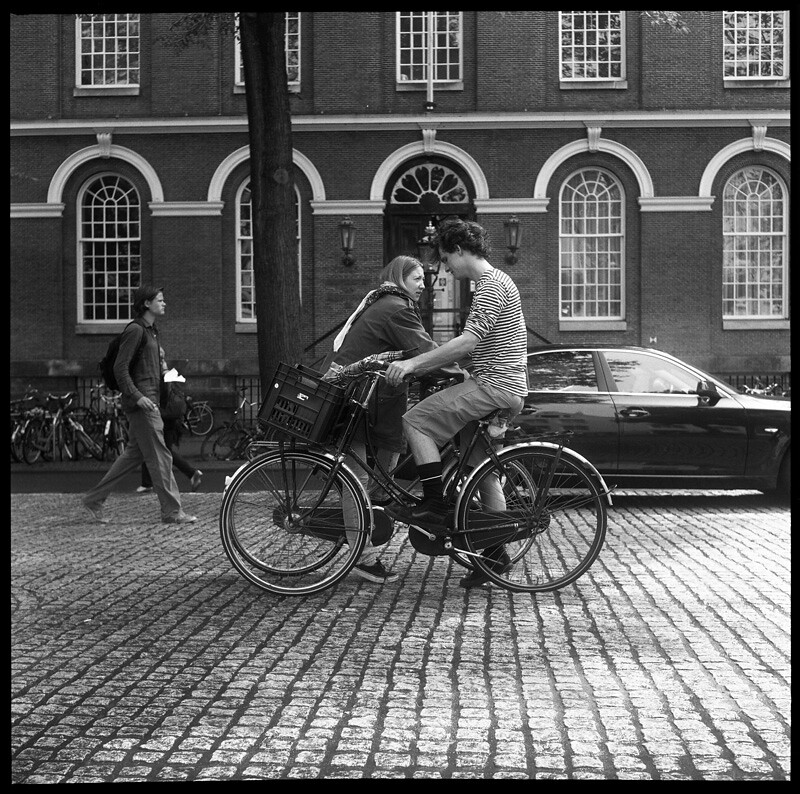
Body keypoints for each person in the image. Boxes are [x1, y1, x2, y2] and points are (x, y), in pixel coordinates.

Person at [384, 217, 528, 588]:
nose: (447, 268)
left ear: (460, 251)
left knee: (415, 421)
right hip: (505, 386)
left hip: (494, 386)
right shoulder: (497, 282)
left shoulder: (490, 286)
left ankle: (434, 504)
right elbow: (481, 346)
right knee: (483, 470)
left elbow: (467, 342)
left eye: (447, 259)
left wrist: (413, 364)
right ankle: (494, 555)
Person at [326, 255, 461, 584]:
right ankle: (361, 554)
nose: (423, 285)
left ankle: (368, 517)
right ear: (400, 278)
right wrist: (460, 373)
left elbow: (414, 354)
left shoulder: (388, 302)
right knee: (357, 479)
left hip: (369, 398)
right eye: (417, 278)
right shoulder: (396, 308)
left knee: (387, 464)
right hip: (352, 398)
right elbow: (424, 348)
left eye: (424, 279)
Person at [82, 285, 198, 525]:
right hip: (144, 404)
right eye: (160, 300)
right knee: (161, 457)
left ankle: (94, 499)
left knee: (132, 455)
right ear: (146, 303)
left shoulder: (151, 331)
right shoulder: (136, 330)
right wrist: (138, 397)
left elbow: (149, 369)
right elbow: (120, 368)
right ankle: (172, 511)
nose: (164, 303)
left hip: (149, 401)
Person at [138, 349, 202, 494]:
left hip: (163, 418)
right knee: (158, 449)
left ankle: (188, 474)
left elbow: (160, 397)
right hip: (171, 419)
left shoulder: (158, 375)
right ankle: (148, 482)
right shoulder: (169, 372)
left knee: (158, 449)